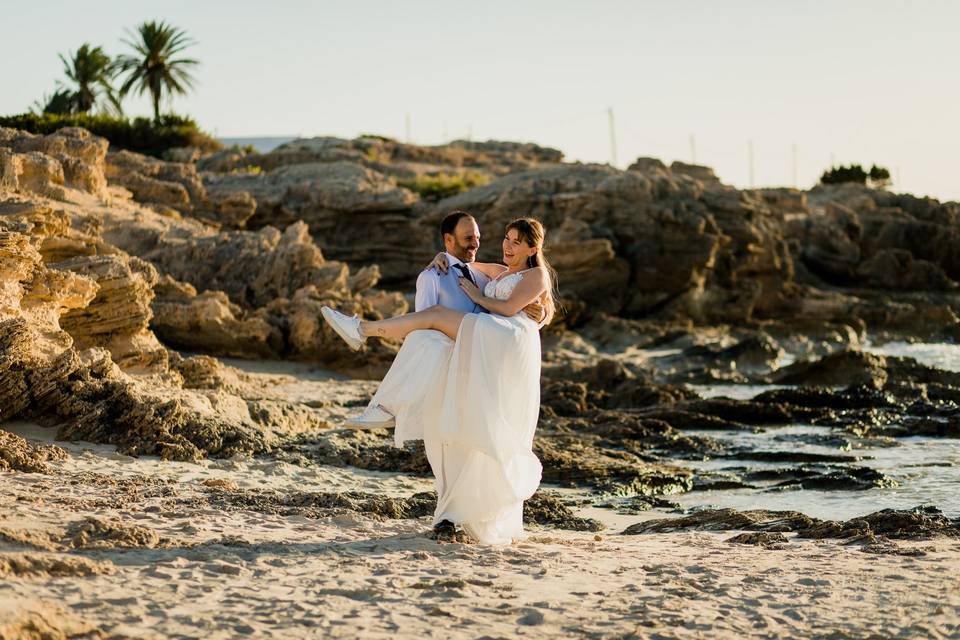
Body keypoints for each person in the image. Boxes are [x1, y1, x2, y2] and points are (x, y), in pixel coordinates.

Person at [321, 217, 555, 544]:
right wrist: (440, 258)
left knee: (433, 318)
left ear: (533, 248)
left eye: (517, 242)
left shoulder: (537, 274)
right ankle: (384, 394)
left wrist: (477, 294)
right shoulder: (501, 270)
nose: (508, 246)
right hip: (492, 333)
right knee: (430, 330)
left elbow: (506, 308)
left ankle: (362, 331)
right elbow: (466, 264)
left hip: (506, 335)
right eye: (506, 238)